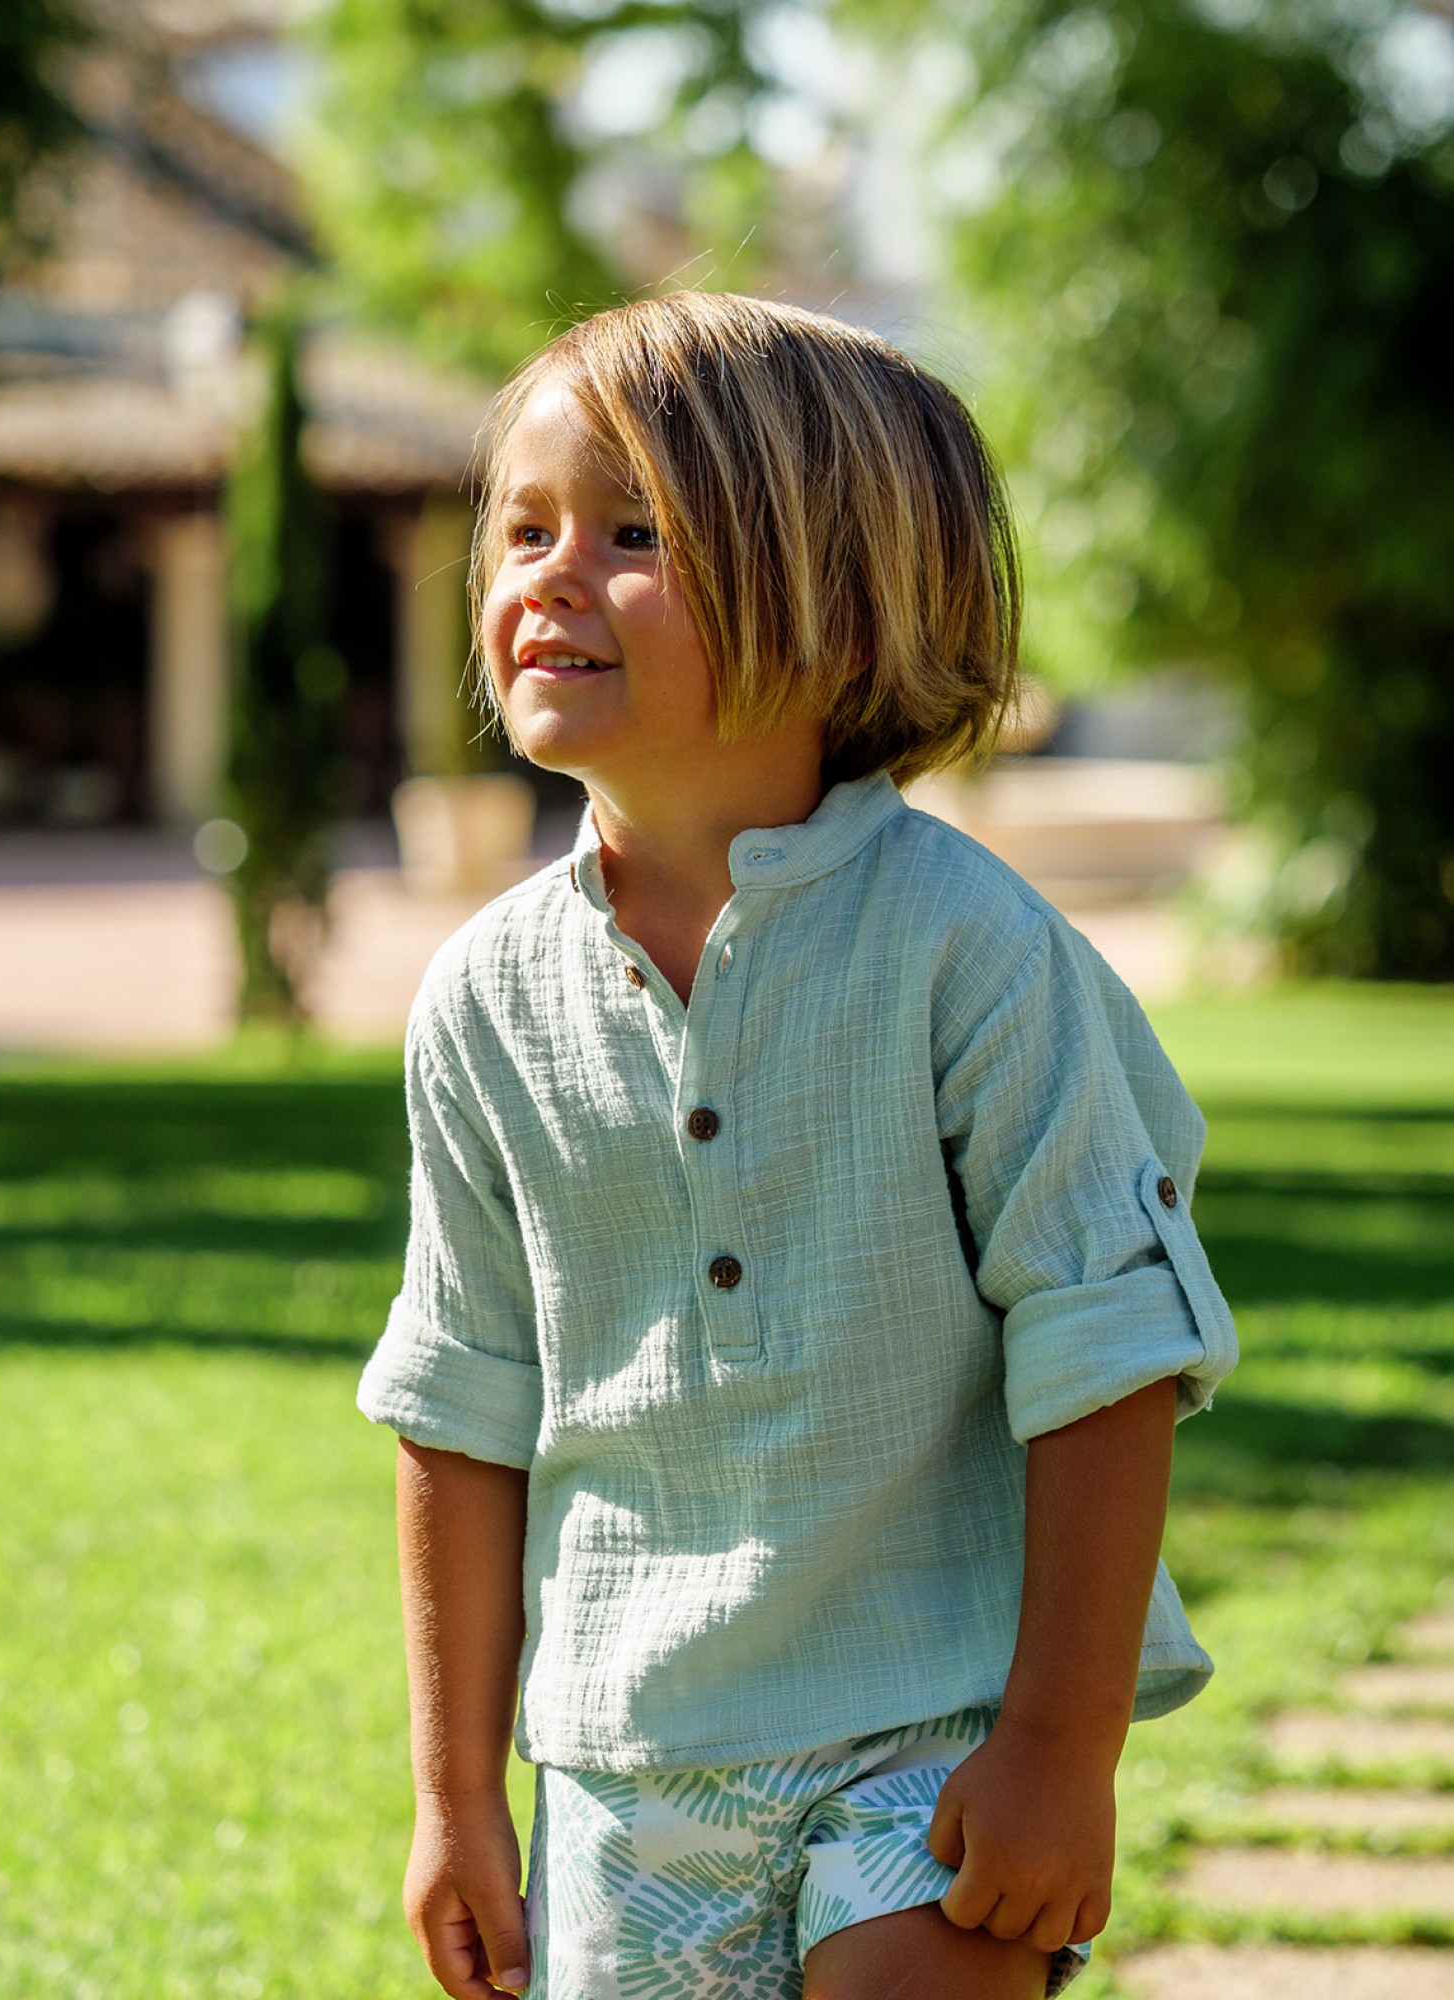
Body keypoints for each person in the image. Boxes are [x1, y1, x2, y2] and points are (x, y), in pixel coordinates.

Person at [357, 291, 1237, 2000]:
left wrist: (1061, 1749)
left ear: (836, 607)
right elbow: (460, 1400)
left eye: (632, 535)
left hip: (935, 1721)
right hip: (627, 1760)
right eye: (524, 530)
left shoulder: (971, 951)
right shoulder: (478, 999)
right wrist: (457, 1801)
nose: (550, 576)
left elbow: (1110, 1342)